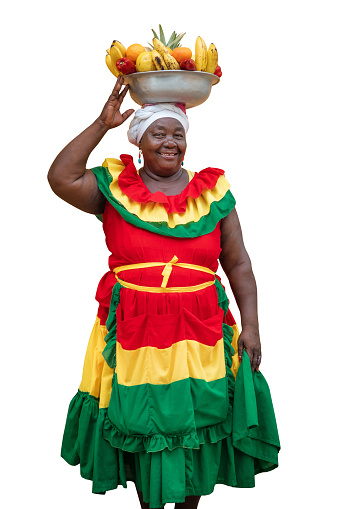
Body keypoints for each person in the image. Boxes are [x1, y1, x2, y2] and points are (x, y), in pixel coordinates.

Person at [48, 76, 280, 509]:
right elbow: (61, 177)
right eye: (159, 133)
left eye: (177, 133)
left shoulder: (212, 193)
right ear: (139, 141)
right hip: (136, 329)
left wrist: (252, 325)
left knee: (199, 419)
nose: (170, 142)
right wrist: (102, 123)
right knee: (142, 422)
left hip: (202, 330)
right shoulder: (114, 189)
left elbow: (239, 264)